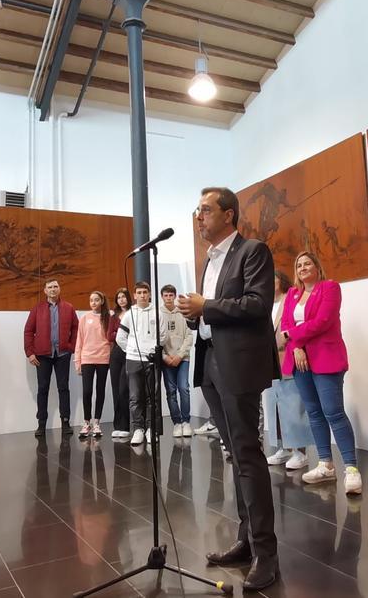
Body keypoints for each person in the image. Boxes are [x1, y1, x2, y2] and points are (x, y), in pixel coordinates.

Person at [177, 186, 279, 591]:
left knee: (248, 454)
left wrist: (207, 308)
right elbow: (211, 314)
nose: (198, 217)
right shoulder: (210, 260)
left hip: (239, 365)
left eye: (205, 210)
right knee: (235, 454)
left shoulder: (253, 251)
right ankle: (246, 540)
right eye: (197, 210)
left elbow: (257, 304)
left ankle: (267, 554)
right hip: (212, 362)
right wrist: (193, 316)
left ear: (229, 215)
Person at [280, 252, 361, 495]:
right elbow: (285, 324)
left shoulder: (330, 288)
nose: (303, 267)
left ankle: (351, 469)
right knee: (314, 413)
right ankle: (325, 464)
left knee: (333, 412)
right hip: (300, 360)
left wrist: (293, 339)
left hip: (326, 358)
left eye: (307, 263)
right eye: (299, 264)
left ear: (317, 266)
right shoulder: (293, 294)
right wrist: (296, 348)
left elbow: (322, 321)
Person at [264, 270, 309, 471]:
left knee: (293, 405)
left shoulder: (290, 298)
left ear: (281, 281)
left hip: (287, 358)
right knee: (274, 406)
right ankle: (283, 448)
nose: (269, 282)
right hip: (268, 362)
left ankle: (300, 452)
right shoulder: (265, 305)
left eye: (272, 278)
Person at [24, 278, 78, 438]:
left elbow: (76, 328)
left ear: (59, 289)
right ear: (45, 291)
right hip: (42, 355)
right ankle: (41, 424)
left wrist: (72, 347)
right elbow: (28, 331)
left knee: (63, 388)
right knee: (42, 389)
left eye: (55, 286)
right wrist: (30, 352)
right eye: (50, 287)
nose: (53, 289)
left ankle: (65, 422)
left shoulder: (68, 308)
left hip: (62, 354)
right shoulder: (37, 309)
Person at [117, 282, 163, 446]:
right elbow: (120, 337)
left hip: (151, 361)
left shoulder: (158, 313)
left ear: (150, 294)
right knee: (135, 397)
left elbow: (163, 335)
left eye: (145, 292)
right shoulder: (129, 314)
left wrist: (151, 350)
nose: (142, 295)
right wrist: (131, 350)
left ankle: (151, 429)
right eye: (139, 292)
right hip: (133, 360)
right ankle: (138, 429)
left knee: (153, 397)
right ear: (135, 295)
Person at [159, 284, 195, 438]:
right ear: (162, 297)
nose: (168, 298)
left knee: (184, 388)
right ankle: (177, 423)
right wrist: (165, 357)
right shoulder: (157, 314)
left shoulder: (182, 312)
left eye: (170, 295)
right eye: (165, 295)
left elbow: (189, 336)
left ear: (174, 296)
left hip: (182, 358)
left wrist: (180, 355)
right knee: (171, 391)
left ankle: (186, 422)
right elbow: (155, 339)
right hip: (166, 359)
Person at [74, 291, 111, 438]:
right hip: (87, 359)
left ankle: (97, 423)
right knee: (87, 391)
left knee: (100, 390)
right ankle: (86, 422)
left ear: (102, 301)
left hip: (103, 358)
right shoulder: (84, 318)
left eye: (96, 300)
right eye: (91, 300)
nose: (93, 303)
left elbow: (112, 340)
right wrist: (78, 362)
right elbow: (79, 341)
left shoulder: (108, 317)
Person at [107, 287, 132, 439]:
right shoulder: (114, 315)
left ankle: (129, 424)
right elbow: (110, 335)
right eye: (119, 297)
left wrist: (120, 334)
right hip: (117, 353)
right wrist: (120, 334)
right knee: (116, 389)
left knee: (126, 390)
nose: (121, 299)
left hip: (131, 352)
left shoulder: (134, 313)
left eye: (124, 296)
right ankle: (119, 425)